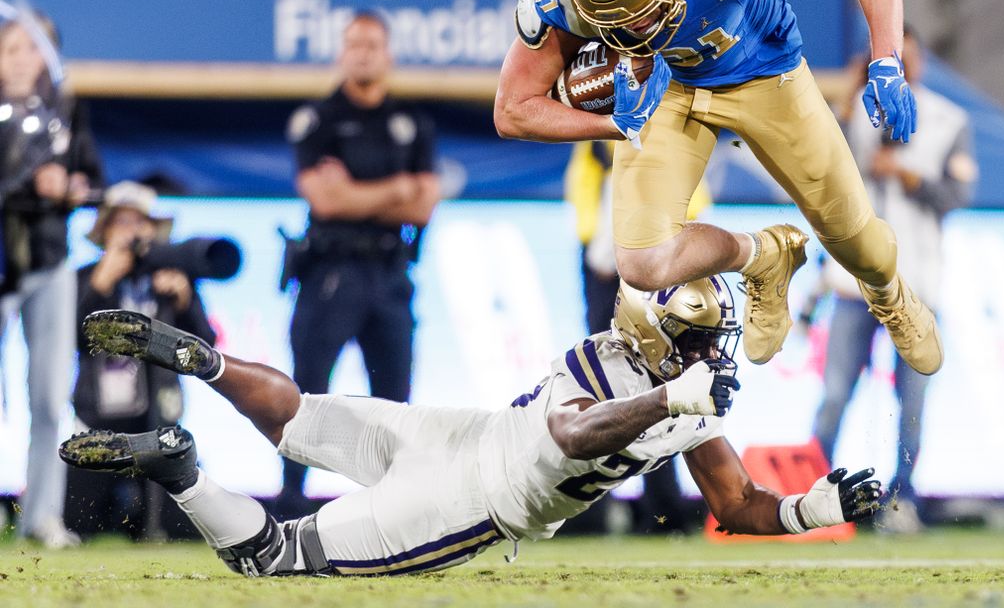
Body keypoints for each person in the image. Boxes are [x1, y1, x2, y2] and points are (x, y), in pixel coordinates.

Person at [62, 274, 882, 576]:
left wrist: (818, 510)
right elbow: (572, 435)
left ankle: (204, 364)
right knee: (273, 558)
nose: (715, 354)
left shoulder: (673, 387)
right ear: (665, 342)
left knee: (302, 415)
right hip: (466, 501)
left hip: (453, 435)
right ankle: (177, 467)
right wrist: (676, 400)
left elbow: (734, 502)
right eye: (701, 342)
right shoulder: (625, 372)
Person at [493, 0, 941, 381]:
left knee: (859, 245)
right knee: (641, 261)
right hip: (666, 85)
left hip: (765, 73)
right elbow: (512, 110)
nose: (633, 29)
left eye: (641, 12)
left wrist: (886, 61)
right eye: (616, 22)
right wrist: (614, 124)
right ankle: (765, 256)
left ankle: (890, 294)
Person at [811, 28, 976, 532]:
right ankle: (815, 497)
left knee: (911, 403)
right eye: (890, 60)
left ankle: (900, 500)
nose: (901, 69)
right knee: (836, 391)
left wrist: (908, 176)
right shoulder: (853, 110)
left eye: (907, 59)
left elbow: (959, 195)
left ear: (921, 63)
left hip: (916, 281)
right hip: (854, 281)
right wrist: (846, 106)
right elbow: (819, 173)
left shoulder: (948, 118)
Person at [279, 11, 440, 513]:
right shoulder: (319, 119)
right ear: (340, 53)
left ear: (388, 54)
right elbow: (325, 203)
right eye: (354, 44)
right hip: (332, 269)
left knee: (394, 396)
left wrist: (355, 191)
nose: (363, 53)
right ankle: (290, 500)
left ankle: (392, 505)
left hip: (391, 272)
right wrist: (395, 188)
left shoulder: (412, 122)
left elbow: (423, 205)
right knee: (309, 388)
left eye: (373, 44)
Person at [564, 140, 712, 533]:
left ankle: (663, 505)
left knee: (661, 383)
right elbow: (584, 185)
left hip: (655, 258)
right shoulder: (604, 123)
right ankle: (605, 505)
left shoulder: (649, 112)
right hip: (613, 263)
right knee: (611, 383)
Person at [0, 17, 102, 547]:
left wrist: (73, 186)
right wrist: (24, 180)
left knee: (47, 396)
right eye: (11, 47)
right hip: (2, 259)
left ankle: (42, 516)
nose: (21, 58)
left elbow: (94, 179)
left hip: (49, 259)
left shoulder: (65, 111)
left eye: (32, 49)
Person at [67, 181, 215, 540]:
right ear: (105, 232)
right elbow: (72, 339)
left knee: (184, 525)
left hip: (160, 422)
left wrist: (183, 301)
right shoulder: (85, 278)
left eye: (140, 222)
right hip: (101, 421)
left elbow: (206, 349)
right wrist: (101, 285)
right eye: (122, 222)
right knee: (78, 519)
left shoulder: (172, 277)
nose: (132, 232)